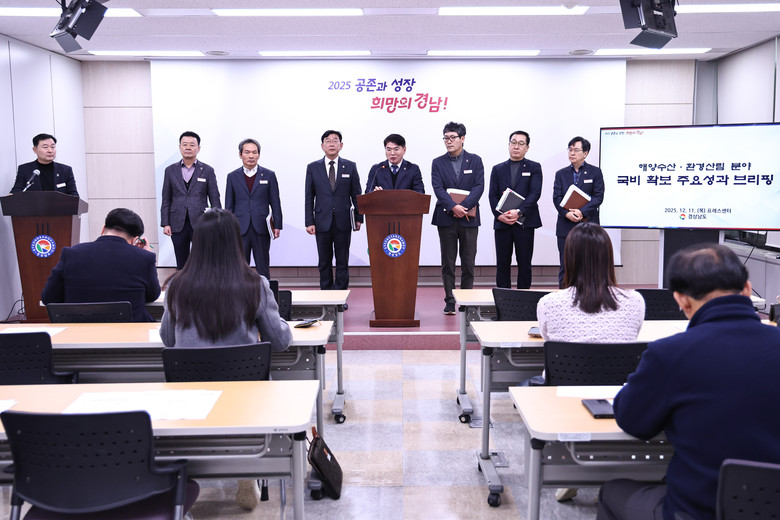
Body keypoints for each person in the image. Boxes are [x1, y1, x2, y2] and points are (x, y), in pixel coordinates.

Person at [597, 244, 780, 520]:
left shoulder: (670, 354)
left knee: (612, 492)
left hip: (696, 510)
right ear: (747, 290)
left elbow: (633, 422)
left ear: (681, 300)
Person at [159, 208, 292, 511]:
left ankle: (192, 464)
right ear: (235, 241)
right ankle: (246, 468)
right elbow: (280, 341)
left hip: (190, 394)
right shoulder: (254, 284)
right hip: (245, 394)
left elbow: (168, 340)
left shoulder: (177, 286)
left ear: (197, 242)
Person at [41, 208, 159, 322]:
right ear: (135, 240)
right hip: (129, 333)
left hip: (79, 331)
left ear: (103, 229)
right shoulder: (145, 258)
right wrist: (145, 255)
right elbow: (152, 295)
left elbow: (49, 297)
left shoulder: (71, 253)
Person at [537, 222, 644, 343]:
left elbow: (549, 341)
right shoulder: (635, 301)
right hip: (617, 356)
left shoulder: (548, 304)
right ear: (608, 257)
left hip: (569, 356)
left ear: (568, 258)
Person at [431, 121, 484, 315]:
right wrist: (453, 206)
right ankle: (450, 300)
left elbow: (479, 186)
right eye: (446, 138)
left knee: (468, 262)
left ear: (462, 138)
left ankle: (466, 300)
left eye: (452, 137)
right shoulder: (438, 162)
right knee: (448, 262)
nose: (448, 141)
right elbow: (438, 188)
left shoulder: (475, 160)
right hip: (446, 217)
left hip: (469, 218)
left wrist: (464, 206)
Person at [304, 130, 362, 298]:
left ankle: (340, 297)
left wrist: (359, 218)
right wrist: (309, 221)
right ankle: (326, 296)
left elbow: (356, 194)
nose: (331, 144)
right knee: (324, 261)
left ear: (341, 145)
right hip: (321, 221)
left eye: (335, 141)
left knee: (342, 261)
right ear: (322, 146)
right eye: (328, 141)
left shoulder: (350, 166)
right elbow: (309, 196)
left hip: (344, 221)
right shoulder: (313, 167)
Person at [488, 130, 542, 289]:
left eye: (521, 143)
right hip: (502, 222)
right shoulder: (498, 169)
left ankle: (523, 299)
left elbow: (535, 193)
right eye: (513, 142)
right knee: (502, 264)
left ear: (527, 147)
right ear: (509, 145)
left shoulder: (534, 167)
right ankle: (503, 299)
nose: (516, 146)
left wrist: (518, 212)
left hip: (525, 222)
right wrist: (499, 215)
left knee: (524, 263)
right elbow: (492, 195)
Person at [160, 131, 221, 270]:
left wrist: (216, 222)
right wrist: (166, 223)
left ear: (198, 148)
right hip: (177, 222)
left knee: (203, 260)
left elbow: (215, 198)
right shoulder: (170, 170)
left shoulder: (207, 170)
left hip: (201, 223)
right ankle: (183, 284)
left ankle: (203, 284)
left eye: (192, 145)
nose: (188, 147)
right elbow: (166, 198)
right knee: (181, 263)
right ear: (180, 147)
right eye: (185, 144)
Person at [225, 138, 282, 280]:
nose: (251, 156)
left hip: (261, 227)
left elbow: (275, 202)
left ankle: (265, 293)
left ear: (259, 155)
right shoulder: (232, 177)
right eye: (247, 152)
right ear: (240, 155)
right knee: (239, 267)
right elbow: (229, 205)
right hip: (240, 228)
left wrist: (277, 225)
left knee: (263, 266)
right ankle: (239, 293)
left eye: (254, 152)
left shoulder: (269, 175)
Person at [552, 136, 604, 288]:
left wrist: (582, 212)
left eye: (576, 150)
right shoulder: (561, 174)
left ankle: (590, 298)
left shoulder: (595, 172)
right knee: (566, 265)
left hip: (588, 225)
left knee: (589, 265)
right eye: (570, 150)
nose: (572, 153)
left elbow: (598, 197)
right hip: (565, 225)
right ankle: (563, 297)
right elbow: (557, 198)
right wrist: (566, 213)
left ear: (585, 153)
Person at [10, 133, 78, 195]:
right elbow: (17, 191)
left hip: (60, 205)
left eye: (52, 147)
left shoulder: (65, 170)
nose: (50, 151)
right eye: (45, 147)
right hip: (34, 205)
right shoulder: (25, 169)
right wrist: (12, 196)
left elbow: (74, 195)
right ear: (35, 150)